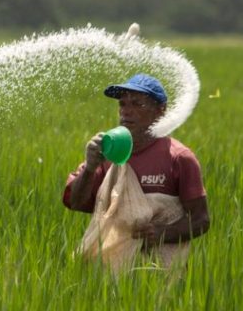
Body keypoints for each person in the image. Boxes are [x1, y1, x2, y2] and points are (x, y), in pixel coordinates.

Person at [63, 73, 210, 268]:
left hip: (160, 272)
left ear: (160, 111)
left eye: (137, 104)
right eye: (123, 104)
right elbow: (75, 202)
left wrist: (162, 233)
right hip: (110, 272)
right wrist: (90, 168)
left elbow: (201, 220)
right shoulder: (107, 153)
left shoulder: (179, 157)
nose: (126, 111)